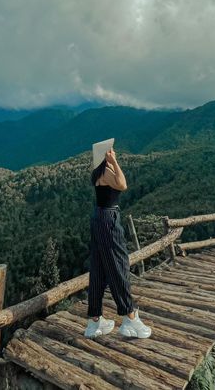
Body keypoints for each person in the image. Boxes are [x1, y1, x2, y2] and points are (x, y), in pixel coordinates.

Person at [84, 140, 152, 339]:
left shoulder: (97, 172)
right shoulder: (105, 172)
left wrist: (110, 161)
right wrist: (114, 162)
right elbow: (123, 184)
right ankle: (130, 318)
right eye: (110, 150)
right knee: (118, 265)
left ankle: (94, 321)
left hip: (98, 218)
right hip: (108, 220)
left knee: (98, 268)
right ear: (105, 154)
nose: (113, 151)